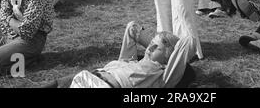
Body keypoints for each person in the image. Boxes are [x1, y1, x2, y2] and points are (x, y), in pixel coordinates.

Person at [41, 21, 195, 88]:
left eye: (157, 47)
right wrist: (157, 41)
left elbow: (188, 42)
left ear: (169, 57)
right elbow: (132, 27)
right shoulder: (130, 61)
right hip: (88, 78)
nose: (150, 47)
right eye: (151, 43)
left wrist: (169, 43)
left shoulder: (162, 74)